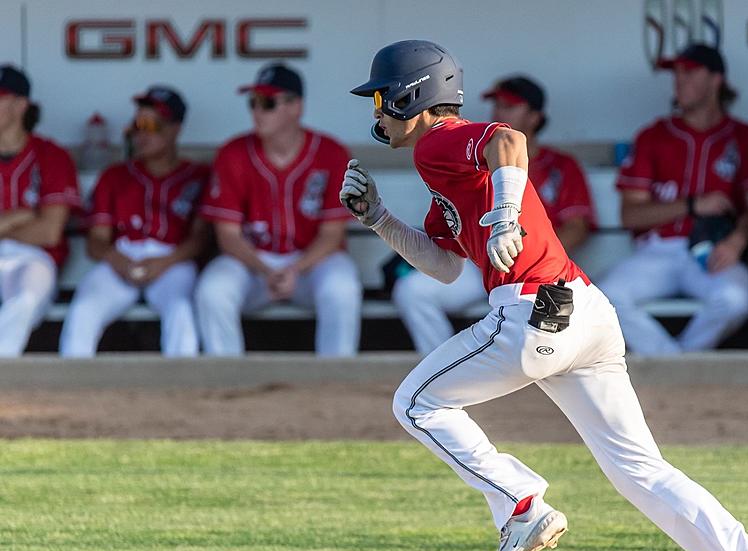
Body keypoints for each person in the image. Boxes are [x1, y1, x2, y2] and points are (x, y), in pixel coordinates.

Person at [342, 39, 748, 551]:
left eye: (381, 97)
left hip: (534, 311)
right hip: (584, 311)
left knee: (415, 402)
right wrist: (380, 219)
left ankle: (520, 504)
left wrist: (506, 217)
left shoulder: (437, 141)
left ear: (412, 95)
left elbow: (511, 141)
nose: (377, 112)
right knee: (642, 471)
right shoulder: (440, 165)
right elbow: (445, 265)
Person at [392, 75, 596, 355]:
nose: (499, 112)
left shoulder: (560, 166)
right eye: (497, 105)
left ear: (535, 117)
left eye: (509, 106)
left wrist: (528, 256)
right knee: (412, 291)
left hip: (536, 272)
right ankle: (443, 363)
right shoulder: (473, 152)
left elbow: (578, 226)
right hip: (481, 265)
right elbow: (449, 255)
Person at [601, 44, 748, 355]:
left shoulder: (745, 138)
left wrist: (737, 242)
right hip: (657, 252)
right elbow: (631, 215)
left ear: (716, 80)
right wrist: (691, 205)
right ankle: (676, 364)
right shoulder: (653, 136)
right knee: (603, 299)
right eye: (676, 73)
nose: (679, 80)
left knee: (735, 300)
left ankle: (676, 363)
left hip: (711, 252)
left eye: (689, 72)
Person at [195, 63, 360, 356]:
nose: (257, 111)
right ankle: (224, 381)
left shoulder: (331, 153)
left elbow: (332, 235)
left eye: (267, 103)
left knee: (342, 288)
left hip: (311, 264)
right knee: (213, 290)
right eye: (253, 103)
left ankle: (336, 378)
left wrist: (294, 270)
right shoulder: (233, 153)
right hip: (252, 263)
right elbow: (228, 237)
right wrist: (267, 270)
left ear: (296, 107)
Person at [60, 86, 208, 357]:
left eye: (152, 124)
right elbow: (97, 242)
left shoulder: (197, 175)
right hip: (122, 257)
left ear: (175, 128)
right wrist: (122, 262)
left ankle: (185, 394)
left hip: (173, 260)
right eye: (138, 124)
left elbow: (199, 238)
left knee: (181, 310)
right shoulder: (115, 175)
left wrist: (163, 263)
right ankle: (71, 393)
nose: (143, 133)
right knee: (84, 309)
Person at [0, 65, 80, 356]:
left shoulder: (51, 155)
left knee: (27, 298)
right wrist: (15, 218)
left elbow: (48, 231)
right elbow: (37, 223)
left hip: (33, 259)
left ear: (21, 105)